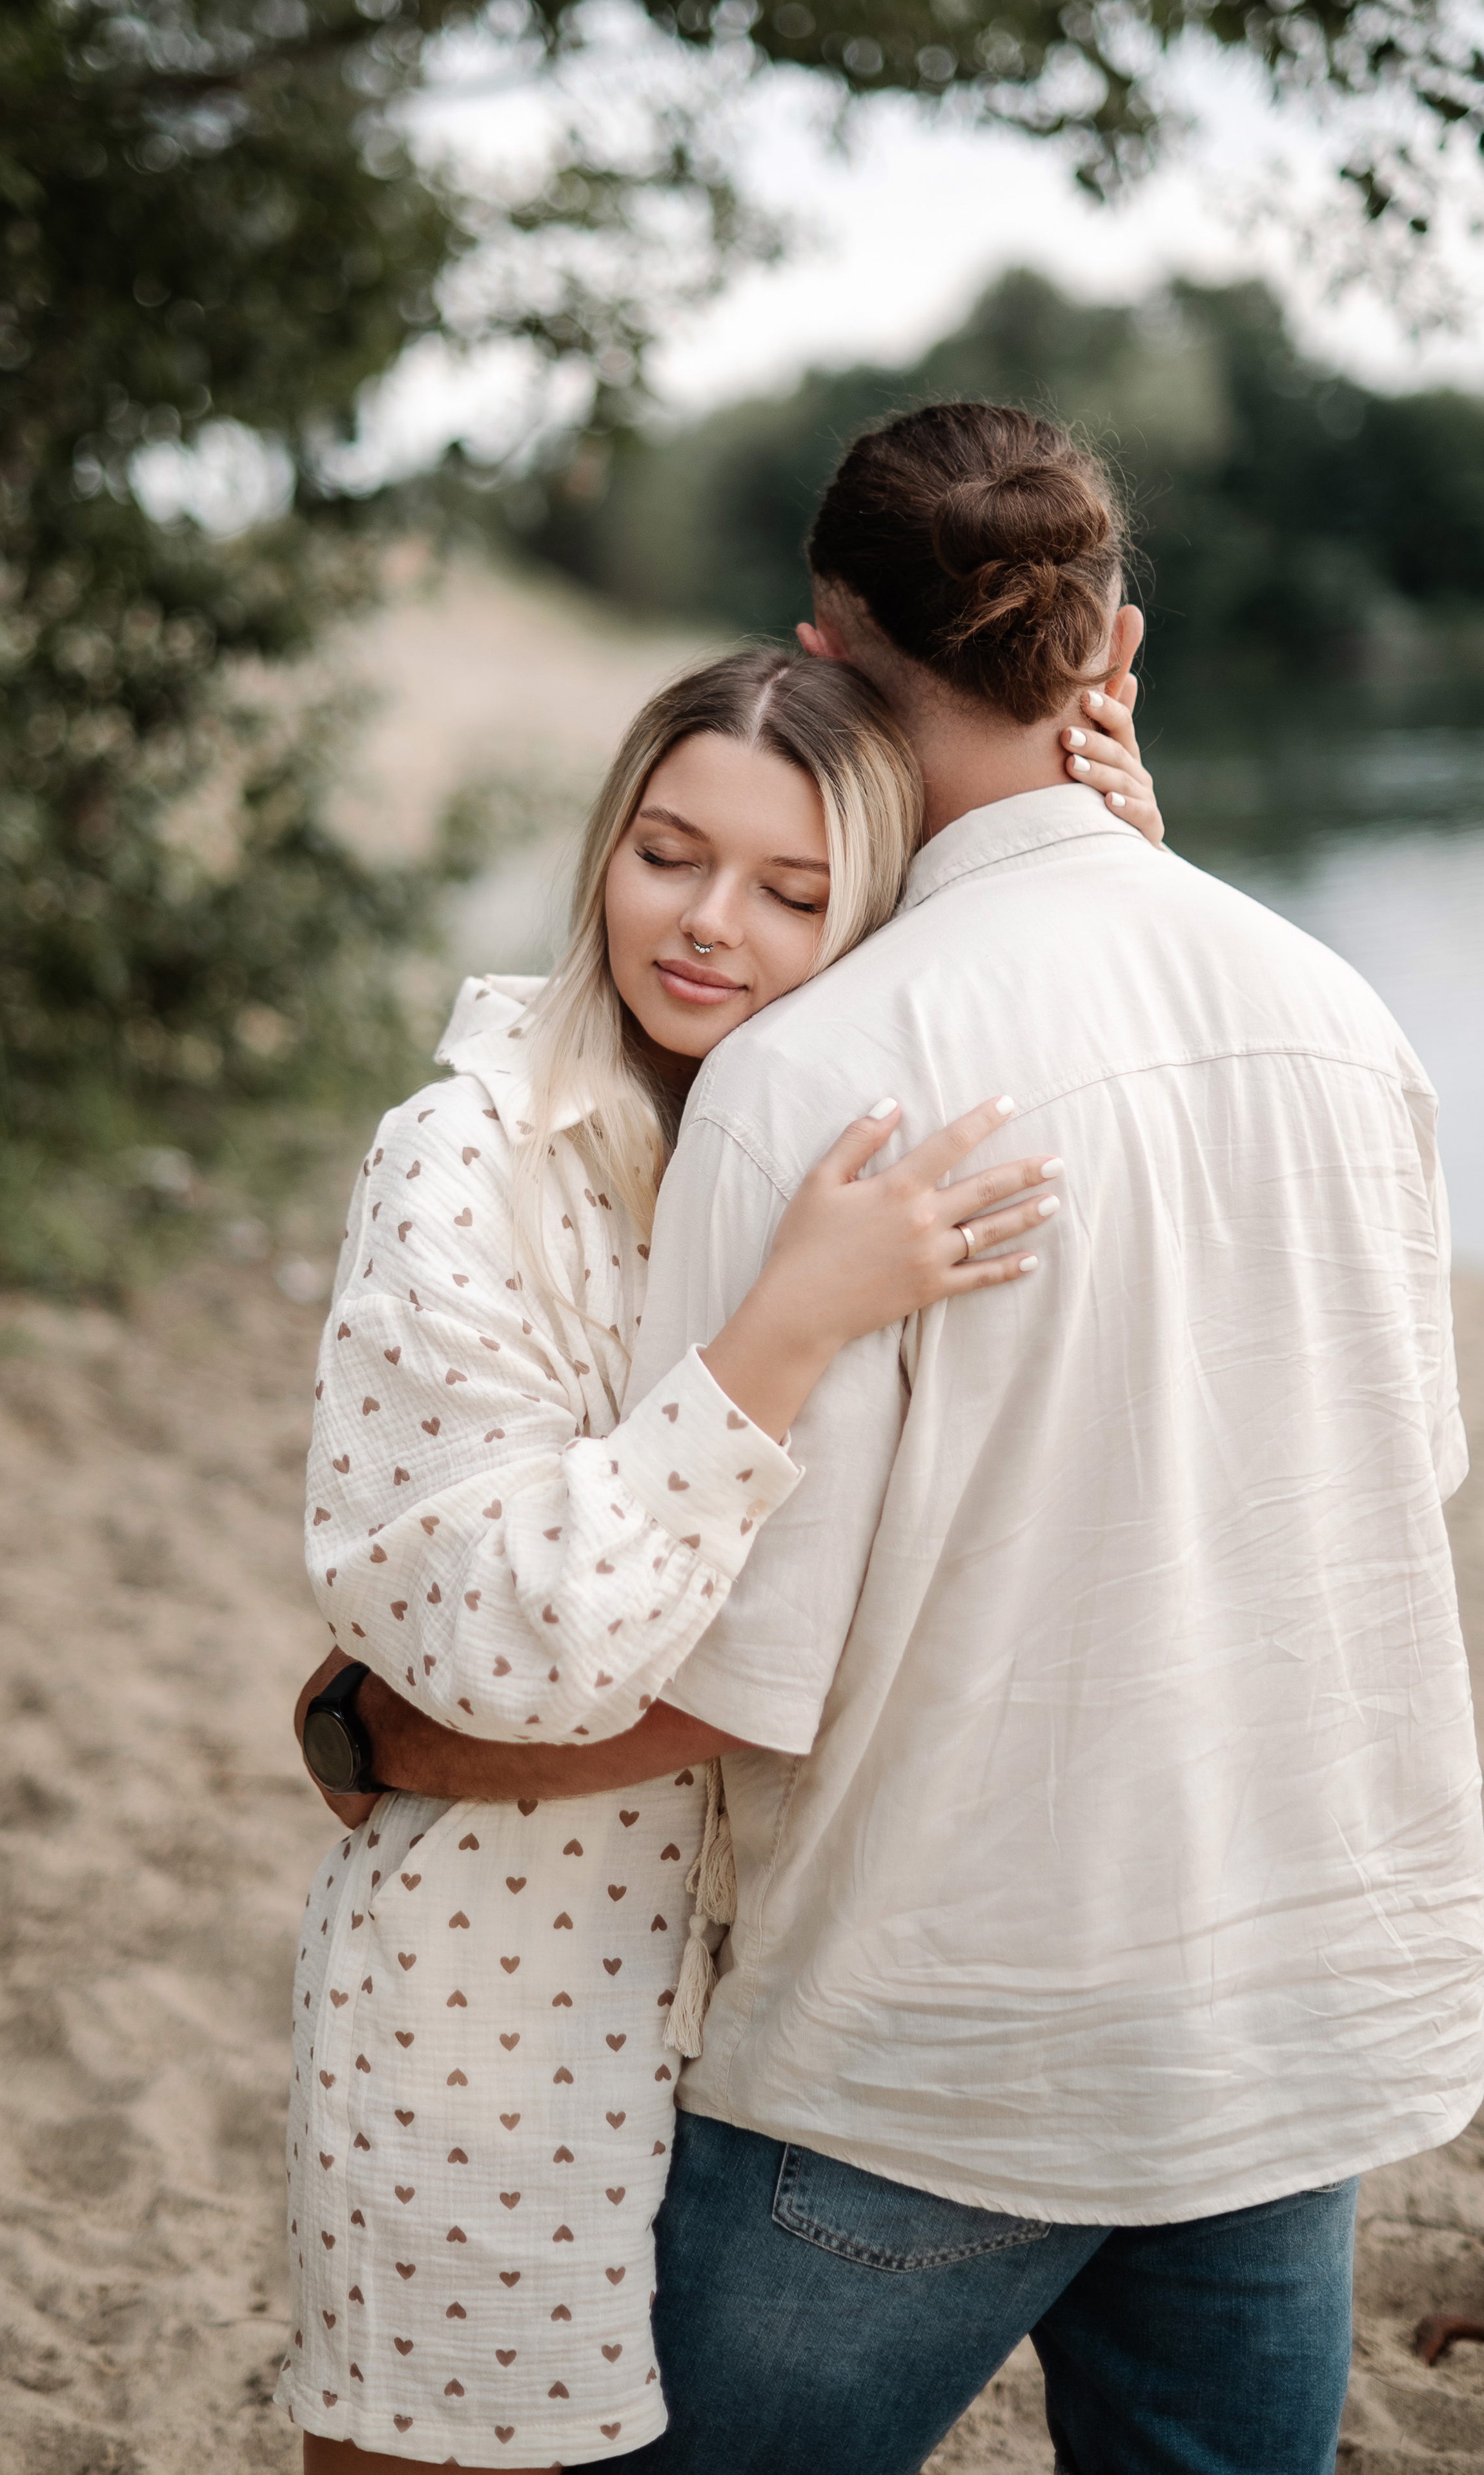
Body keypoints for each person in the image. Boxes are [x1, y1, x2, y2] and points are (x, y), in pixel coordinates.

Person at [339, 402, 1483, 2475]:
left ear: (831, 645)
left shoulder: (816, 1072)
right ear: (1109, 647)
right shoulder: (1343, 1012)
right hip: (1283, 2023)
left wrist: (391, 1738)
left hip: (938, 2052)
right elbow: (1404, 1489)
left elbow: (735, 1665)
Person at [277, 642, 1162, 2472]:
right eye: (668, 854)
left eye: (793, 891)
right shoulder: (466, 1158)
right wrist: (785, 1326)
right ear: (606, 844)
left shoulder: (896, 1149)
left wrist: (1120, 857)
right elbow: (507, 1643)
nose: (706, 924)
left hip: (796, 2043)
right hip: (503, 1998)